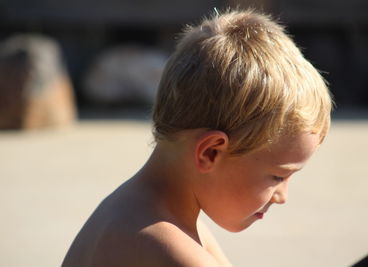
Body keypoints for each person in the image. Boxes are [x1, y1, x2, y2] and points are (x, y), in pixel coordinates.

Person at [62, 9, 332, 267]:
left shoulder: (141, 212)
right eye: (278, 176)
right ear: (210, 152)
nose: (282, 196)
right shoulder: (164, 245)